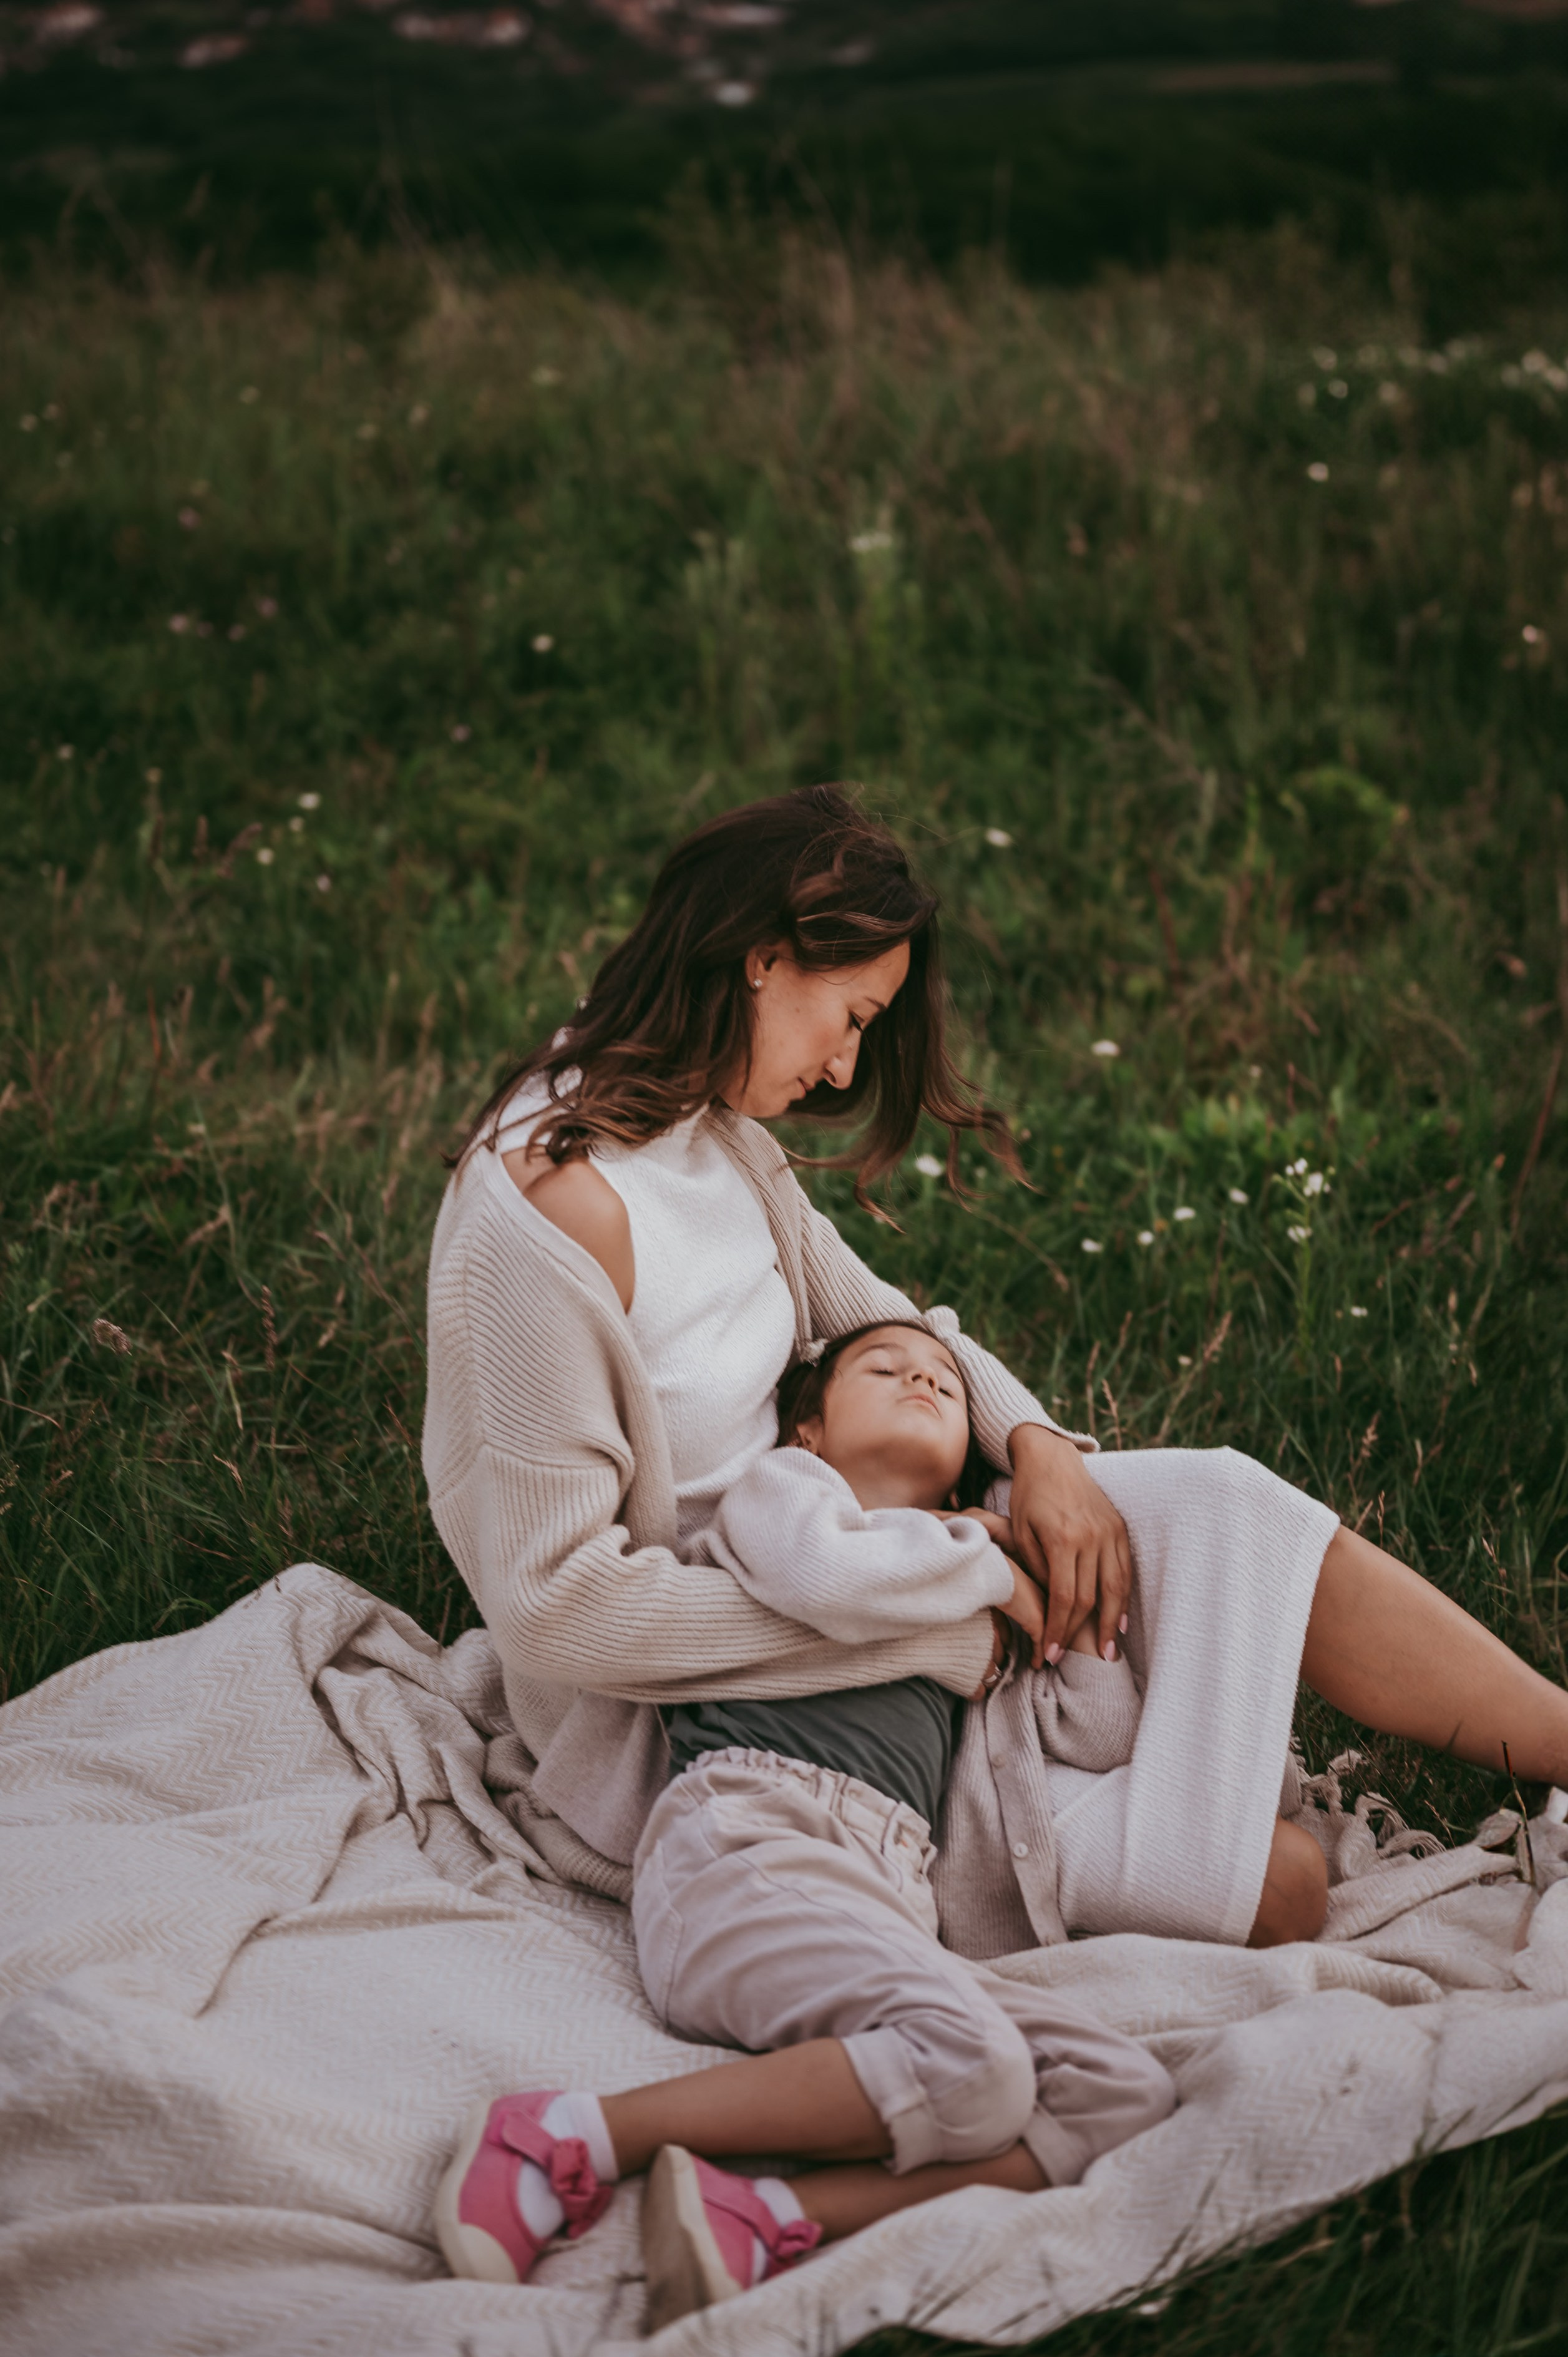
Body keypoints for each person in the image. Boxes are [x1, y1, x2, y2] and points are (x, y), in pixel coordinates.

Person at [421, 783, 1568, 2301]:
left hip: (880, 1549)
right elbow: (565, 1613)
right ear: (763, 954)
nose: (847, 1065)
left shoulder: (715, 1132)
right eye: (849, 1013)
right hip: (725, 1716)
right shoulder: (542, 1225)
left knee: (1213, 1500)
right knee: (1286, 1883)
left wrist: (1038, 1454)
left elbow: (872, 1317)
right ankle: (749, 2174)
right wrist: (935, 1628)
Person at [434, 1316, 1161, 2321]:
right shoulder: (788, 1496)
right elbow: (831, 1576)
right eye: (883, 1366)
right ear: (809, 1431)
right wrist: (989, 1565)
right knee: (976, 2068)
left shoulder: (956, 1570)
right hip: (744, 1838)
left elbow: (1094, 1729)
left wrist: (1076, 1604)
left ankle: (767, 2212)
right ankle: (565, 2133)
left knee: (1115, 2086)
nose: (921, 1375)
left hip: (881, 1889)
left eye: (946, 1380)